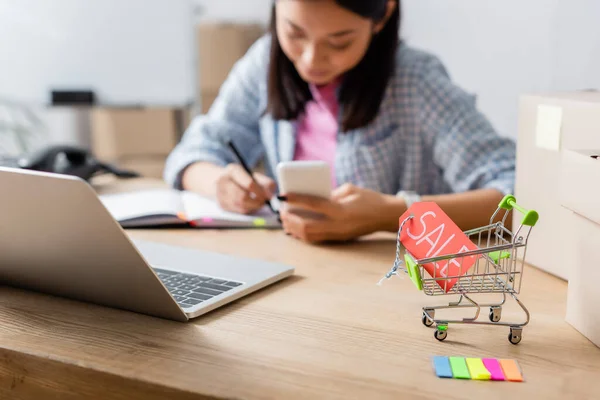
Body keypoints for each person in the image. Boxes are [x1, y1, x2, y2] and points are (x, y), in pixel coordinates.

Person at [164, 0, 516, 243]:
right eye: (295, 33)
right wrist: (219, 184)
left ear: (381, 17)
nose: (311, 60)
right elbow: (191, 153)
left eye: (340, 41)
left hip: (395, 285)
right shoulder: (264, 61)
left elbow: (518, 196)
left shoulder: (416, 81)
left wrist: (393, 214)